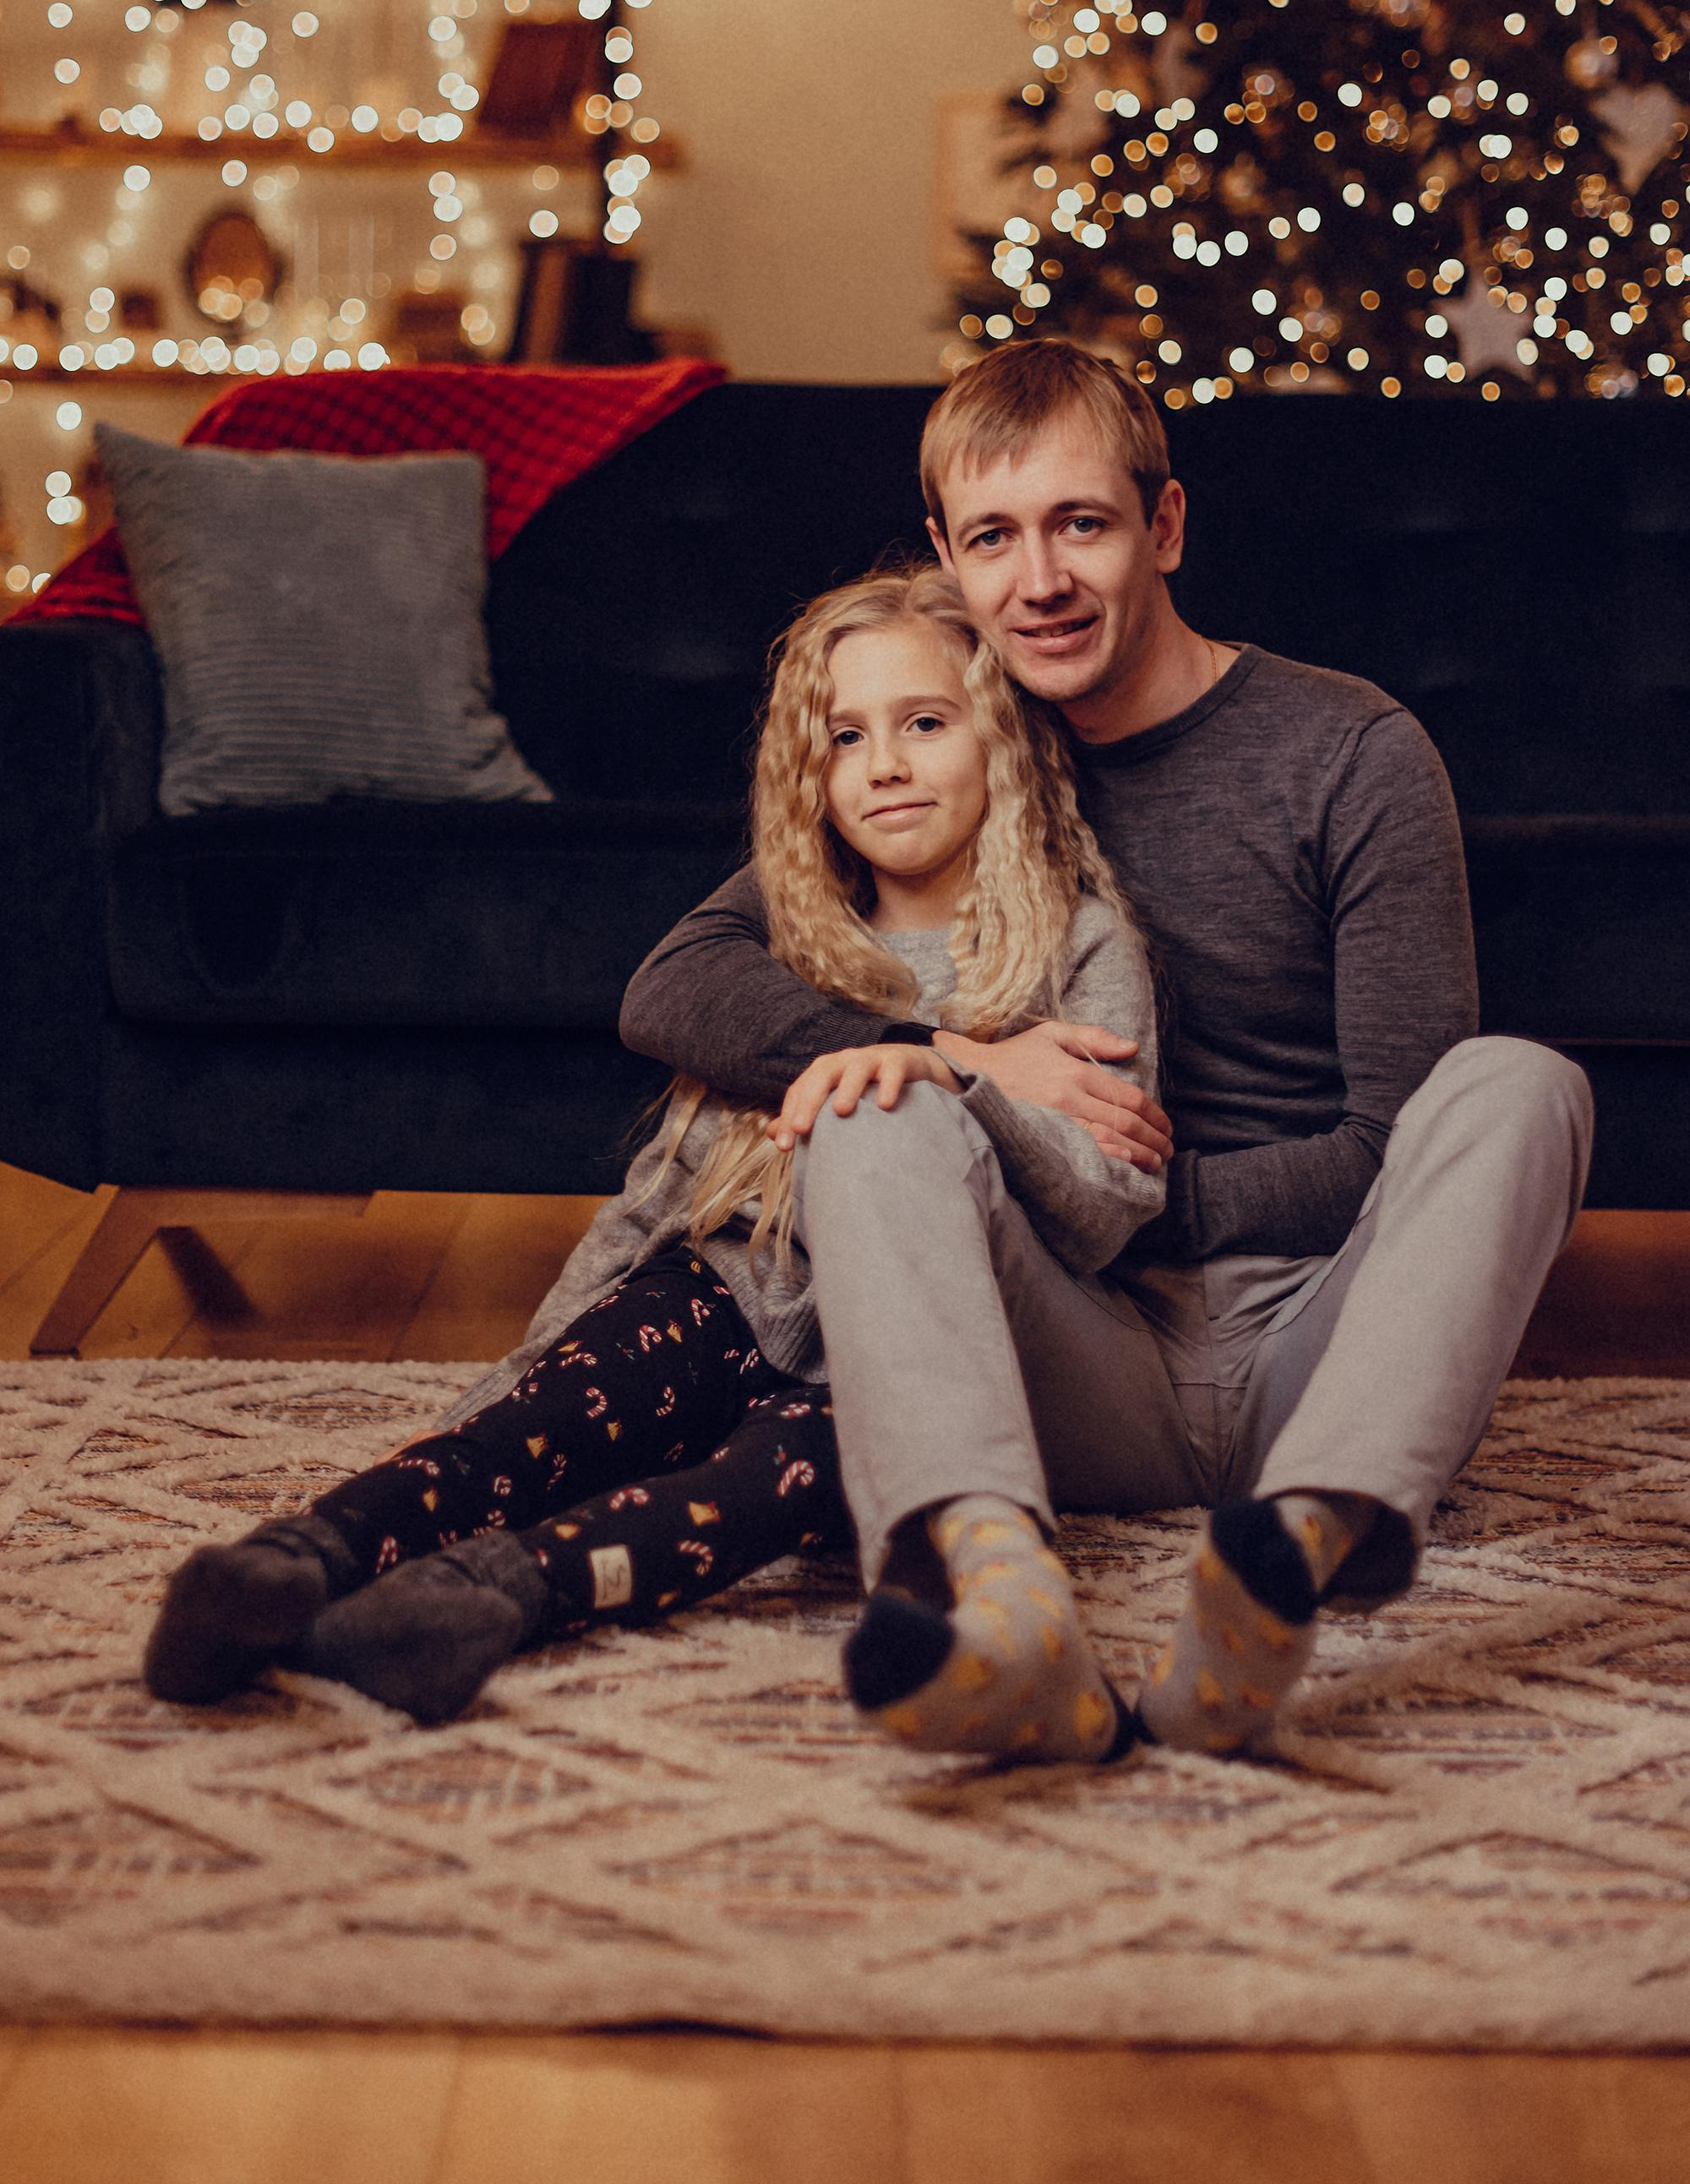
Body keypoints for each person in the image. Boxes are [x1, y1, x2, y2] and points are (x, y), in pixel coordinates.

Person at [621, 339, 1595, 1759]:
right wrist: (963, 1062)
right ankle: (992, 1597)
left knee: (1522, 1085)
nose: (1042, 581)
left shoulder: (1350, 751)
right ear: (950, 559)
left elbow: (1397, 1145)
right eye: (995, 540)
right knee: (875, 1099)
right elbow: (677, 983)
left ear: (1166, 527)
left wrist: (1125, 1191)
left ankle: (1293, 1555)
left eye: (1082, 523)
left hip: (1319, 1337)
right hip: (1063, 1358)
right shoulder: (953, 744)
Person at [144, 564, 1163, 1758]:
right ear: (809, 777)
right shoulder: (784, 945)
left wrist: (971, 1079)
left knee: (777, 1479)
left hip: (906, 1348)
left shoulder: (1082, 945)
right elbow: (659, 1202)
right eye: (844, 738)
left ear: (1002, 742)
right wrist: (528, 1375)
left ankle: (494, 1598)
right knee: (568, 1413)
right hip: (732, 1284)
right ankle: (292, 1561)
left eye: (925, 723)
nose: (883, 764)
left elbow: (1108, 1210)